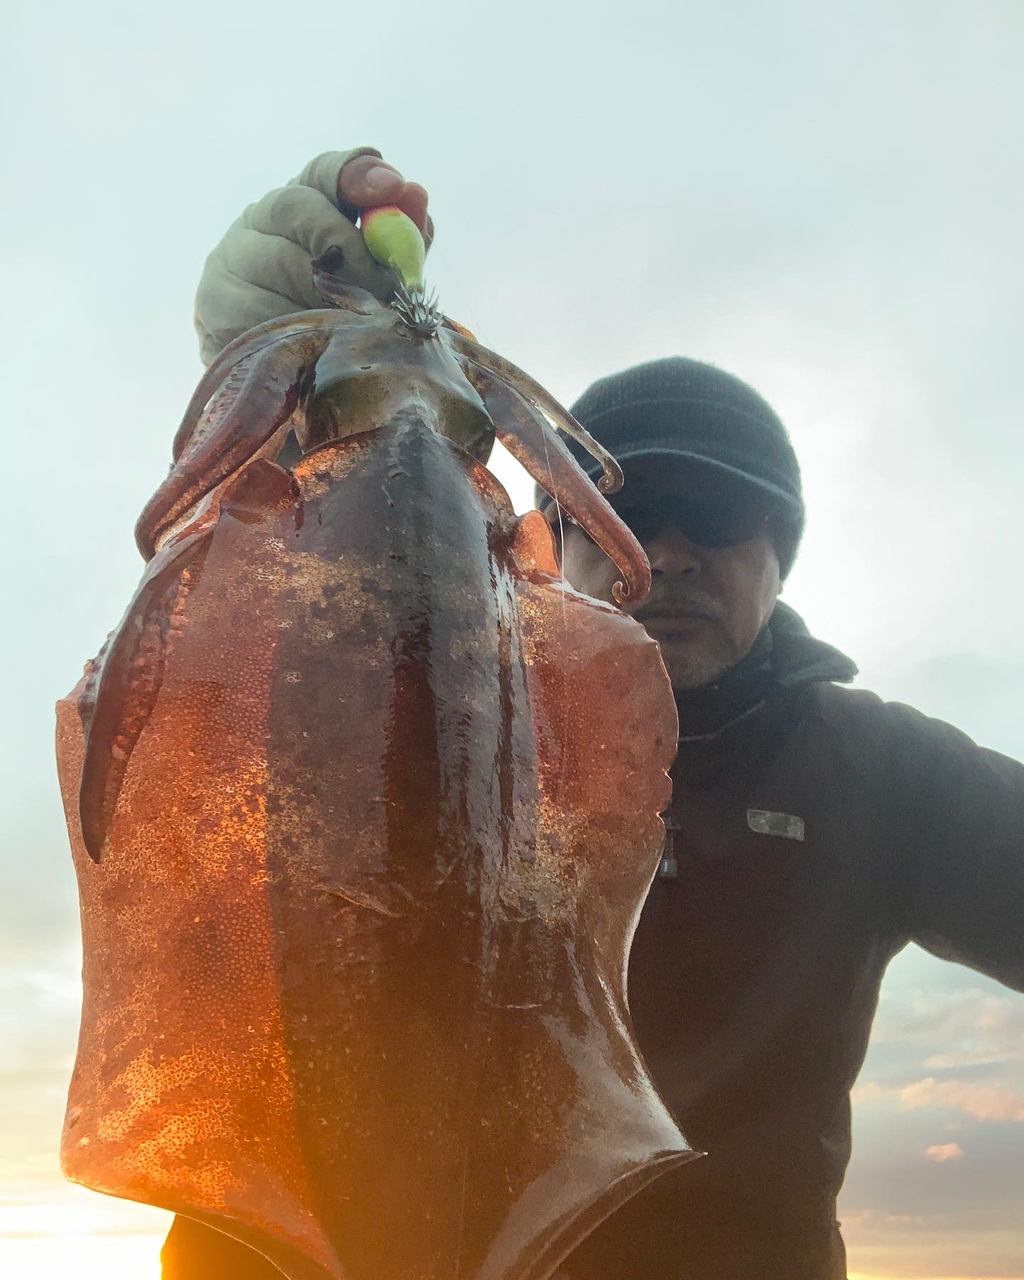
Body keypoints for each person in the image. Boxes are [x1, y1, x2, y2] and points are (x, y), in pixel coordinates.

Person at [160, 150, 1024, 1280]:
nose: (664, 554)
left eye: (715, 517)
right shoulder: (426, 696)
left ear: (782, 558)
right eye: (619, 506)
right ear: (551, 537)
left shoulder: (878, 771)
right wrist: (296, 389)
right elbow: (276, 631)